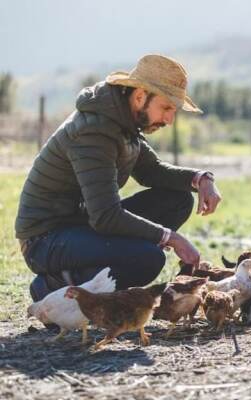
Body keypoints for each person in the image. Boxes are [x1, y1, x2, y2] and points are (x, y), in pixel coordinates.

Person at [15, 54, 222, 302]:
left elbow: (151, 171)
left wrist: (201, 179)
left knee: (178, 200)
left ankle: (95, 277)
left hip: (82, 223)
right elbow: (105, 217)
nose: (169, 119)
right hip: (46, 240)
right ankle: (53, 288)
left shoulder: (123, 122)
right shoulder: (94, 131)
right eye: (166, 108)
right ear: (139, 97)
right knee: (148, 258)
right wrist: (171, 238)